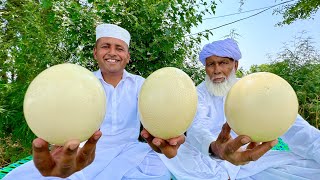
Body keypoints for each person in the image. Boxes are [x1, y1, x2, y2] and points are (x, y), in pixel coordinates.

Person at [3, 24, 185, 180]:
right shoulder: (80, 83)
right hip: (90, 150)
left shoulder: (143, 85)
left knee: (159, 173)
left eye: (119, 48)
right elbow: (64, 118)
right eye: (106, 46)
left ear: (127, 57)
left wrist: (168, 131)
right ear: (95, 53)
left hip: (130, 150)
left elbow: (159, 114)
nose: (112, 52)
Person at [160, 38, 320, 180]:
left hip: (249, 153)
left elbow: (297, 128)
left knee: (310, 169)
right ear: (205, 68)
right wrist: (215, 147)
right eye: (210, 64)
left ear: (235, 65)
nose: (216, 70)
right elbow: (197, 127)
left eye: (223, 63)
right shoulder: (198, 94)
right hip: (206, 153)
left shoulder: (255, 89)